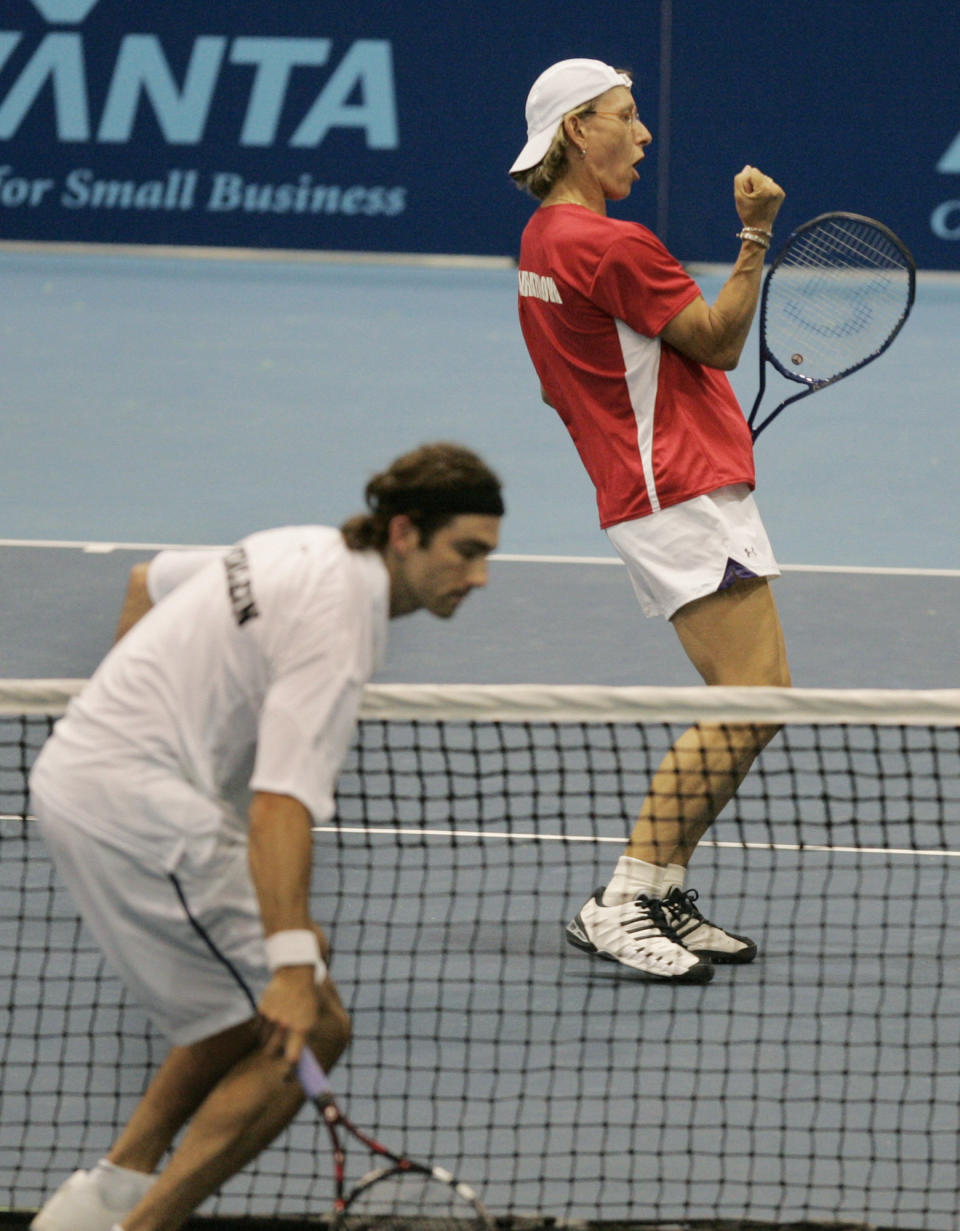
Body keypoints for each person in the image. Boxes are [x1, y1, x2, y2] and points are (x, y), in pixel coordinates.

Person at [28, 442, 504, 1231]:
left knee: (268, 994)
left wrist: (132, 720)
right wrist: (288, 957)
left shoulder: (301, 544)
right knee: (311, 1018)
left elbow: (150, 579)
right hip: (138, 813)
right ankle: (142, 1226)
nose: (480, 575)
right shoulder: (341, 626)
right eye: (468, 551)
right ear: (406, 533)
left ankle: (106, 1194)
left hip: (105, 779)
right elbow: (279, 804)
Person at [509, 58, 790, 984]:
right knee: (751, 697)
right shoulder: (611, 243)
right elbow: (715, 338)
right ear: (575, 132)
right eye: (626, 118)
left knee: (759, 699)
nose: (644, 134)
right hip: (677, 490)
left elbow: (578, 384)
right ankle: (624, 897)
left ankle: (666, 883)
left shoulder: (540, 243)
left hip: (652, 480)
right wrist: (755, 237)